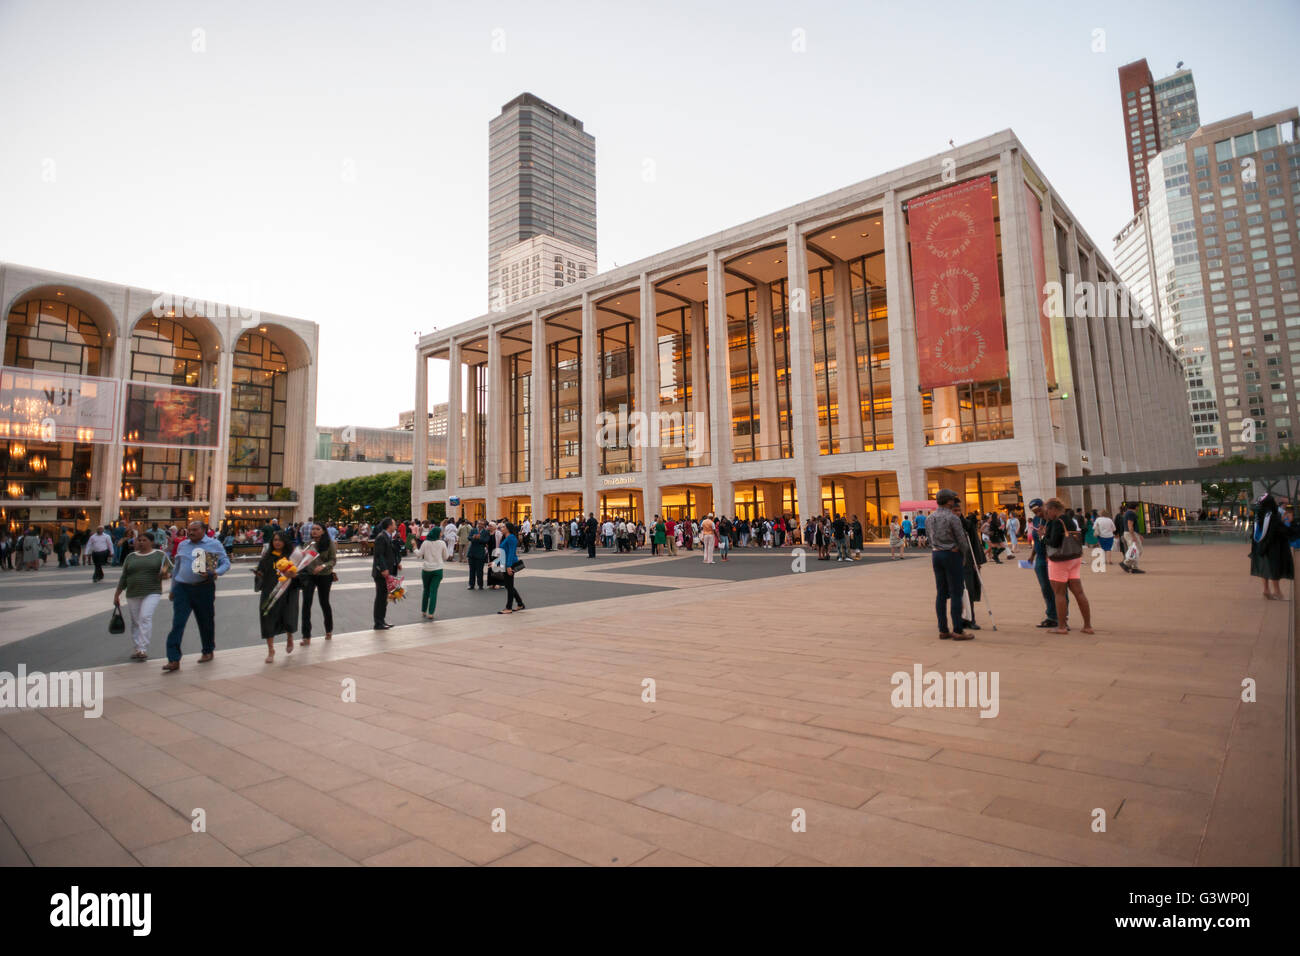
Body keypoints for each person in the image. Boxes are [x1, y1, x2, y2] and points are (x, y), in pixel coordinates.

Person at [162, 521, 231, 672]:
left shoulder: (214, 544)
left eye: (194, 530)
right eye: (189, 530)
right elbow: (177, 566)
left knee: (205, 621)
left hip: (203, 588)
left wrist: (214, 572)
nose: (191, 532)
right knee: (177, 623)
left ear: (204, 530)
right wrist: (173, 588)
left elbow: (226, 563)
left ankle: (207, 650)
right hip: (182, 588)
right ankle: (173, 659)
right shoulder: (183, 545)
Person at [113, 530, 170, 661]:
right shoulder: (131, 557)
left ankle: (143, 648)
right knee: (135, 621)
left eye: (144, 540)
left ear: (152, 542)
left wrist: (165, 574)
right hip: (133, 592)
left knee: (145, 617)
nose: (141, 542)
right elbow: (124, 577)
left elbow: (169, 571)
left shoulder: (160, 555)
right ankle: (137, 647)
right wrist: (117, 594)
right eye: (139, 540)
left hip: (152, 591)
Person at [1043, 499, 1093, 634]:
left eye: (1048, 511)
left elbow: (1053, 542)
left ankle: (1061, 627)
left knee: (1059, 594)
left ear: (1053, 509)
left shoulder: (1057, 522)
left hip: (1060, 560)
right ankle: (1087, 626)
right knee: (1079, 592)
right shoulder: (1070, 520)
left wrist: (1043, 536)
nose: (1047, 514)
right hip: (1074, 558)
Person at [929, 490, 971, 640]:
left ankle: (943, 629)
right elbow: (962, 540)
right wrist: (963, 554)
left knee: (941, 592)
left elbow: (929, 537)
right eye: (952, 499)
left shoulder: (930, 517)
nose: (954, 501)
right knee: (956, 592)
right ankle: (958, 630)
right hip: (951, 554)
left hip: (936, 554)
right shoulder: (952, 518)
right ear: (948, 502)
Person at [256, 531, 302, 662]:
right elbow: (261, 573)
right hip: (270, 592)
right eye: (275, 540)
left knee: (288, 616)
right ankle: (271, 650)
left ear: (285, 542)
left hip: (287, 592)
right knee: (267, 619)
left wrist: (295, 576)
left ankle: (290, 637)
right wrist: (258, 575)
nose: (277, 542)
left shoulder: (292, 557)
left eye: (280, 540)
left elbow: (301, 576)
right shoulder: (267, 557)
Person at [1250, 494, 1295, 600]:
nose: (1276, 503)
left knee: (1264, 565)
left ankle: (1266, 589)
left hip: (1260, 545)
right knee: (1275, 566)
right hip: (1274, 545)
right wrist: (1292, 528)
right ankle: (1277, 591)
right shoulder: (1273, 516)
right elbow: (1280, 529)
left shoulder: (1259, 515)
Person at [300, 523, 336, 644]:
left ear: (323, 531)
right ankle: (306, 636)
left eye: (317, 529)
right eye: (313, 529)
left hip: (325, 576)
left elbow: (333, 560)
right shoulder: (308, 544)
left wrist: (323, 566)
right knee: (306, 604)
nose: (314, 531)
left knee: (324, 602)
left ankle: (328, 630)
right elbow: (303, 560)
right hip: (309, 576)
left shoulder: (329, 544)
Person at [1027, 499, 1058, 629]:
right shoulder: (1035, 520)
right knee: (1045, 588)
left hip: (1052, 557)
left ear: (1044, 506)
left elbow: (1055, 539)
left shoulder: (1052, 519)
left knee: (1057, 588)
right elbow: (1036, 539)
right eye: (1035, 512)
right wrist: (1032, 556)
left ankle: (1062, 617)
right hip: (1040, 558)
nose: (1038, 513)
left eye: (1039, 510)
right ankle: (1051, 616)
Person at [416, 522, 450, 620]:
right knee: (434, 591)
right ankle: (431, 613)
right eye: (440, 533)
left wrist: (414, 547)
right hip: (438, 570)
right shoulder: (442, 543)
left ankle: (423, 610)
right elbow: (446, 557)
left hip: (426, 569)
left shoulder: (425, 542)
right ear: (438, 534)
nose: (441, 534)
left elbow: (419, 554)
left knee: (426, 590)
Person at [371, 517, 399, 630]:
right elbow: (379, 555)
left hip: (387, 571)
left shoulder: (387, 536)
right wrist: (383, 569)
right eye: (394, 523)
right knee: (381, 598)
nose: (395, 525)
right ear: (389, 525)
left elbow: (389, 553)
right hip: (382, 573)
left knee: (384, 598)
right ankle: (378, 623)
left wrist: (397, 563)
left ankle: (381, 620)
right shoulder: (381, 537)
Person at [1119, 502, 1145, 574]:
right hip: (1130, 533)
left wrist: (1138, 535)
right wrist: (1133, 536)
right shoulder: (1131, 514)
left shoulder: (1127, 513)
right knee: (1138, 550)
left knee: (1135, 550)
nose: (1138, 508)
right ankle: (1126, 563)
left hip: (1129, 533)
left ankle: (1134, 567)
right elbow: (1130, 525)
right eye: (1138, 507)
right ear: (1136, 507)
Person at [467, 519, 490, 590]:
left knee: (480, 570)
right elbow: (469, 537)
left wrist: (479, 538)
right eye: (479, 524)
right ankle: (471, 585)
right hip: (472, 552)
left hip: (480, 553)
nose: (480, 525)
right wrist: (473, 537)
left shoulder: (486, 532)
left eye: (482, 524)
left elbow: (486, 540)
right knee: (472, 570)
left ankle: (480, 584)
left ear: (484, 525)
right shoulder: (473, 530)